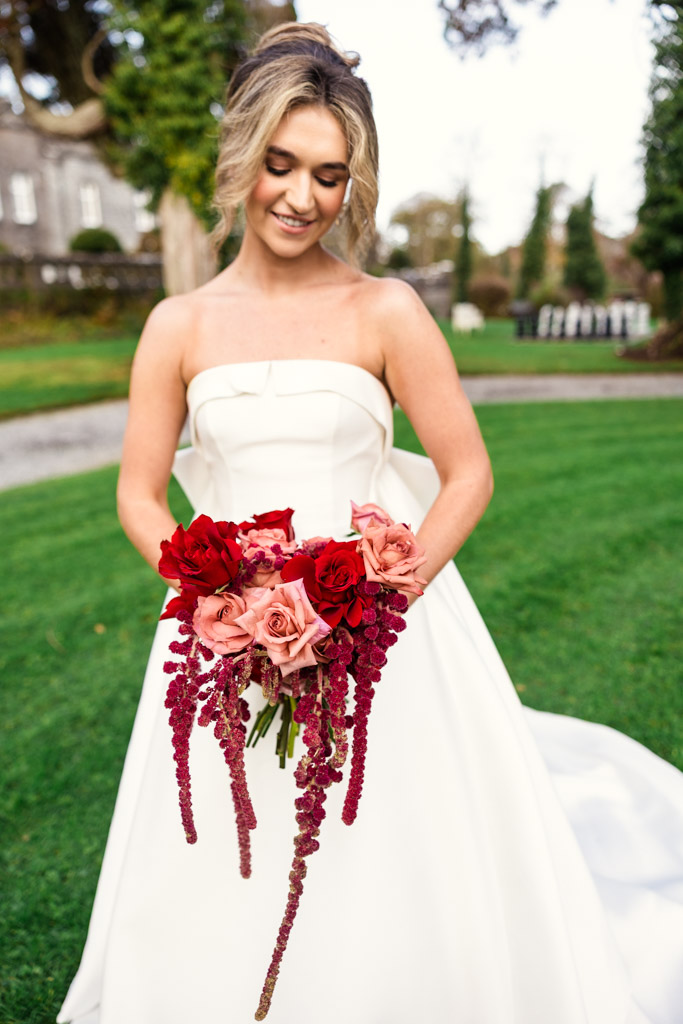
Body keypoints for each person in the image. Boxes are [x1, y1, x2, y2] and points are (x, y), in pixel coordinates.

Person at [58, 22, 683, 1024]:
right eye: (280, 164)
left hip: (382, 644)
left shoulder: (385, 311)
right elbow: (140, 492)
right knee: (226, 841)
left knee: (394, 855)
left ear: (354, 184)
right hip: (223, 644)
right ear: (242, 157)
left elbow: (466, 472)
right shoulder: (176, 326)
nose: (300, 197)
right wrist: (210, 587)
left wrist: (375, 601)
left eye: (329, 174)